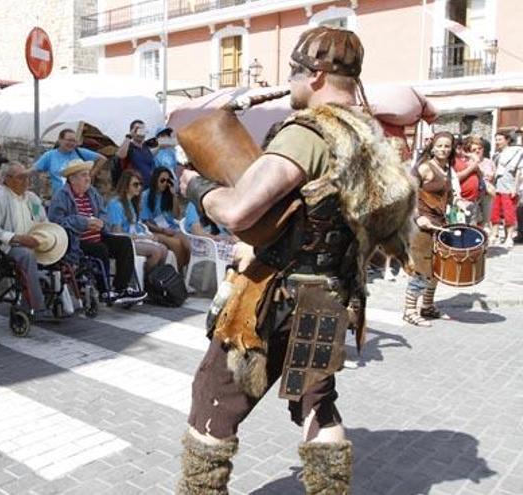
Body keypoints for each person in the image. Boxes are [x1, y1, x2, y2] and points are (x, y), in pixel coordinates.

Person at [176, 27, 415, 493]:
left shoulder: (308, 132)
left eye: (294, 72)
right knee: (317, 407)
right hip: (329, 296)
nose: (289, 81)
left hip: (271, 301)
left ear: (318, 75)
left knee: (212, 403)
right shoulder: (367, 135)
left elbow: (240, 209)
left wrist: (194, 187)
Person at [47, 159, 146, 305]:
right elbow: (57, 223)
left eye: (88, 174)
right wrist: (84, 222)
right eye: (83, 175)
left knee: (125, 243)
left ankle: (120, 288)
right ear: (72, 179)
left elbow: (103, 212)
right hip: (76, 242)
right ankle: (104, 291)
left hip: (98, 235)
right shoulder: (61, 196)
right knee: (101, 249)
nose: (88, 178)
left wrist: (101, 222)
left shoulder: (92, 193)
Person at [0, 161, 59, 323]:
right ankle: (37, 307)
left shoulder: (33, 199)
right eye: (21, 178)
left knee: (58, 248)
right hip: (10, 246)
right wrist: (17, 238)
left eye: (27, 177)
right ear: (7, 179)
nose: (26, 181)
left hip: (33, 241)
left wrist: (45, 238)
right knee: (27, 255)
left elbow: (43, 221)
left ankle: (59, 298)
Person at [404, 132, 454, 327]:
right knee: (422, 269)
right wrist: (418, 217)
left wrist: (458, 202)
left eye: (447, 146)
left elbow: (446, 196)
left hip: (439, 224)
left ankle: (427, 306)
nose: (443, 149)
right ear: (432, 147)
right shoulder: (424, 168)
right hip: (421, 227)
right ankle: (409, 310)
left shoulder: (447, 170)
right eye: (439, 146)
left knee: (436, 269)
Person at [105, 170, 168, 275]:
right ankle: (147, 280)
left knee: (164, 249)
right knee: (156, 252)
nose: (139, 187)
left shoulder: (132, 202)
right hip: (124, 242)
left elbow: (137, 225)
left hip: (135, 237)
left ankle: (157, 280)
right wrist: (143, 238)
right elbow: (117, 233)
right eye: (135, 185)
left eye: (140, 184)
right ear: (125, 186)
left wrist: (148, 235)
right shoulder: (116, 204)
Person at [140, 166, 191, 271]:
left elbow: (176, 215)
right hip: (154, 230)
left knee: (187, 243)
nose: (165, 184)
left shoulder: (167, 194)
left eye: (168, 181)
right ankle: (178, 273)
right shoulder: (146, 196)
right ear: (155, 180)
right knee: (177, 244)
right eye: (162, 180)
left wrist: (174, 195)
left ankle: (186, 268)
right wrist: (163, 230)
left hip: (171, 228)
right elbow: (145, 222)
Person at [33, 128, 106, 197]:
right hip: (60, 197)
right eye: (69, 140)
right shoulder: (50, 155)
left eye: (74, 141)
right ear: (60, 140)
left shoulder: (80, 152)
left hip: (80, 197)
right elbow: (34, 169)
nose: (71, 143)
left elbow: (102, 159)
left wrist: (91, 174)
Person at [491, 129, 523, 246]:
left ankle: (509, 237)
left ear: (507, 140)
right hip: (497, 188)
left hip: (509, 187)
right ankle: (494, 235)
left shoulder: (516, 152)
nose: (497, 142)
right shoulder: (496, 155)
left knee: (509, 214)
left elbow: (519, 172)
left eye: (500, 139)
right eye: (496, 139)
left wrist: (515, 188)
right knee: (494, 214)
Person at [463, 136, 495, 229]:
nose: (477, 151)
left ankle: (483, 238)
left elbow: (492, 178)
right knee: (473, 219)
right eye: (474, 149)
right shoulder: (466, 162)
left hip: (486, 194)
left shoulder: (489, 162)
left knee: (485, 219)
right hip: (472, 195)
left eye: (479, 148)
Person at [452, 135, 481, 224]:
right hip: (461, 200)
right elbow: (455, 178)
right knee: (460, 226)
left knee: (472, 227)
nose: (460, 150)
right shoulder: (452, 161)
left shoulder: (465, 160)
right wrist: (472, 167)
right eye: (457, 148)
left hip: (473, 200)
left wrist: (475, 162)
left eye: (461, 147)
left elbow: (480, 175)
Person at [116, 120, 155, 185]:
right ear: (132, 131)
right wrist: (129, 136)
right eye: (138, 130)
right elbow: (120, 155)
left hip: (150, 187)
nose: (141, 133)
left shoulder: (145, 147)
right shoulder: (128, 146)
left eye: (143, 130)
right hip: (135, 187)